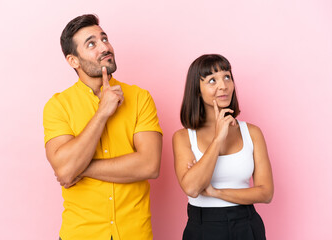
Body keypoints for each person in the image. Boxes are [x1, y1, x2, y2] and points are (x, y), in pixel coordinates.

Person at [43, 14, 163, 240]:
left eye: (104, 39)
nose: (105, 47)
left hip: (134, 233)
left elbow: (149, 165)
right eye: (92, 44)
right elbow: (64, 169)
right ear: (73, 60)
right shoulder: (58, 106)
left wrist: (80, 168)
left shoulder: (140, 98)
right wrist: (103, 112)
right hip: (80, 234)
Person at [173, 54, 274, 240]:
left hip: (246, 224)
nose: (223, 85)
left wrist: (216, 192)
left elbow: (266, 192)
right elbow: (192, 188)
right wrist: (218, 138)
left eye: (227, 76)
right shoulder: (183, 137)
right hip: (202, 227)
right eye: (212, 80)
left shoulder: (252, 133)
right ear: (197, 90)